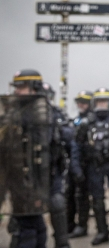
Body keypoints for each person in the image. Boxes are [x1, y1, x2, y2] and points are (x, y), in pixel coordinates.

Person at [7, 70, 83, 248]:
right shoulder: (15, 112)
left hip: (47, 173)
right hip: (24, 178)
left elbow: (68, 137)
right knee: (29, 224)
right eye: (16, 87)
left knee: (44, 215)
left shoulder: (49, 113)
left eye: (22, 87)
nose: (18, 91)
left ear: (34, 88)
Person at [76, 88, 109, 245]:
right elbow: (78, 146)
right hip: (95, 166)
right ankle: (102, 232)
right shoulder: (87, 123)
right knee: (98, 201)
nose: (102, 105)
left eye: (104, 102)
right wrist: (78, 167)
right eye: (99, 101)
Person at [67, 90, 95, 238]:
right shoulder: (77, 120)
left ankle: (82, 226)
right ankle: (69, 225)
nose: (80, 105)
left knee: (83, 195)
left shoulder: (93, 121)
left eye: (83, 102)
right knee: (71, 194)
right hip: (76, 163)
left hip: (89, 164)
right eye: (78, 102)